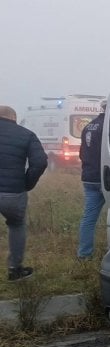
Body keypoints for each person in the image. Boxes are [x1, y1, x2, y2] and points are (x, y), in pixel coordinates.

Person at [0, 105, 48, 281]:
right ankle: (15, 269)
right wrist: (27, 183)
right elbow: (41, 162)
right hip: (13, 193)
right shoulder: (26, 134)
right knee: (16, 225)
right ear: (14, 117)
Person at [77, 103, 106, 260]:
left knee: (89, 218)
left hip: (89, 177)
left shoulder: (89, 126)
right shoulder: (108, 127)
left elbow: (82, 153)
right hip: (107, 178)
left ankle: (84, 254)